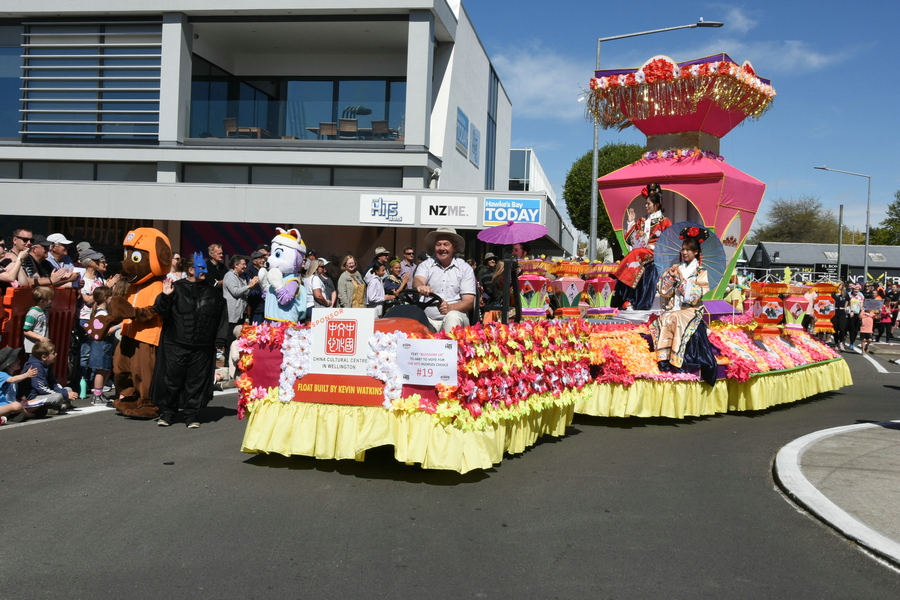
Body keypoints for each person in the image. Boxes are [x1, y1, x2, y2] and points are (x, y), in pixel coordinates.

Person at [152, 254, 226, 428]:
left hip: (202, 347)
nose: (205, 272)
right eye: (201, 269)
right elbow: (160, 310)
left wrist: (219, 339)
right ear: (191, 270)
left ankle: (192, 415)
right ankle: (168, 413)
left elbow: (221, 315)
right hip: (176, 344)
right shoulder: (175, 288)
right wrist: (165, 296)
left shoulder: (212, 292)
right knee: (172, 379)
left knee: (196, 381)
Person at [650, 226, 718, 386]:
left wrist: (680, 280)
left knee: (674, 317)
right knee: (665, 317)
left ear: (696, 253)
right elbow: (664, 292)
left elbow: (693, 297)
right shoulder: (676, 268)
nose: (685, 252)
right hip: (674, 308)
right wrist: (671, 278)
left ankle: (673, 360)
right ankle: (663, 359)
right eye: (683, 248)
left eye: (689, 250)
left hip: (691, 310)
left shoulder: (701, 273)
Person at [611, 182, 672, 311]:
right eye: (645, 203)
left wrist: (654, 247)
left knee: (634, 254)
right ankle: (628, 297)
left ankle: (628, 293)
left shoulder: (665, 222)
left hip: (655, 253)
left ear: (656, 205)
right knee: (635, 253)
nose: (646, 206)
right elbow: (630, 239)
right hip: (641, 252)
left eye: (648, 204)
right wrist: (631, 221)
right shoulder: (642, 221)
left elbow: (669, 243)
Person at [413, 227, 476, 331]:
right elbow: (417, 281)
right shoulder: (426, 265)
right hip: (429, 319)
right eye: (438, 244)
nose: (442, 248)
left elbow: (469, 301)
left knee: (452, 317)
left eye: (446, 244)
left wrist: (450, 308)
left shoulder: (465, 268)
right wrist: (420, 286)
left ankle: (449, 346)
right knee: (411, 319)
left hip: (455, 318)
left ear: (454, 247)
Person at [20, 341, 78, 413]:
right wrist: (65, 395)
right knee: (58, 397)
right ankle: (47, 409)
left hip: (41, 393)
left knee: (68, 389)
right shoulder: (36, 367)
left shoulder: (46, 365)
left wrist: (65, 392)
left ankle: (55, 406)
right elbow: (41, 388)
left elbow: (53, 383)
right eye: (53, 353)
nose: (56, 354)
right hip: (30, 397)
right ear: (44, 357)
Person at [87, 286, 119, 405]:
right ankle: (97, 395)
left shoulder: (103, 312)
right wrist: (118, 326)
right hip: (101, 346)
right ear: (105, 298)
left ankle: (99, 392)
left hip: (105, 346)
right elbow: (103, 332)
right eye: (110, 296)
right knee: (100, 370)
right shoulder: (101, 314)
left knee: (107, 370)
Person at [223, 254, 258, 347]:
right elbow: (235, 292)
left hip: (241, 314)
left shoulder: (241, 277)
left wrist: (252, 286)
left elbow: (246, 293)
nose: (245, 266)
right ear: (235, 265)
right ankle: (227, 360)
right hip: (232, 315)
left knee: (239, 338)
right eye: (243, 264)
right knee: (230, 339)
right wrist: (248, 286)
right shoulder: (229, 276)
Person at [0, 347, 41, 424]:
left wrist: (24, 400)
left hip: (11, 404)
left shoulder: (14, 377)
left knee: (37, 401)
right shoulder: (1, 375)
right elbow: (12, 380)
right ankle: (29, 415)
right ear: (8, 364)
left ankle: (14, 415)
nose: (19, 361)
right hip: (2, 407)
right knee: (16, 406)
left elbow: (14, 395)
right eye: (15, 360)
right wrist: (27, 375)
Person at [23, 286, 53, 354]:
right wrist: (40, 338)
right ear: (42, 301)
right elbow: (26, 331)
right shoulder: (32, 313)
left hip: (42, 347)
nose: (52, 301)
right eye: (50, 299)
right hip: (32, 349)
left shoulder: (44, 311)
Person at [832, 282, 848, 351]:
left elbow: (849, 300)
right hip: (835, 311)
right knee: (835, 329)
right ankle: (836, 343)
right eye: (838, 285)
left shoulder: (845, 294)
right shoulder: (833, 294)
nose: (839, 286)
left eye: (840, 285)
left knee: (842, 328)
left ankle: (841, 342)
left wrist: (845, 307)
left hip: (842, 312)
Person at [847, 284, 864, 350]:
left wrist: (861, 312)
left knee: (856, 329)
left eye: (857, 289)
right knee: (852, 328)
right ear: (852, 289)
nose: (856, 290)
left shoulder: (861, 296)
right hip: (851, 313)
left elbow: (862, 305)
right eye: (855, 289)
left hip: (858, 313)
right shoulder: (849, 295)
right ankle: (851, 342)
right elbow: (847, 302)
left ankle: (853, 341)